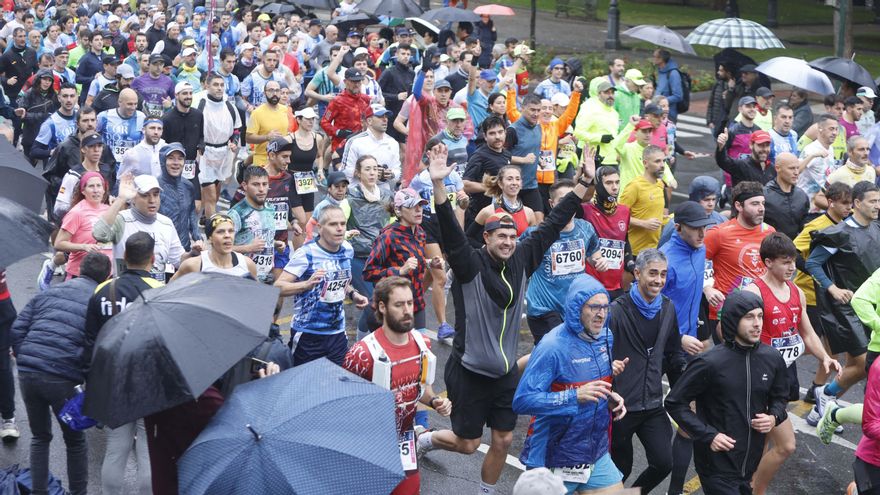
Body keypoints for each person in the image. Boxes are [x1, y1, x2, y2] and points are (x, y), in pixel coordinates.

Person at [415, 143, 594, 495]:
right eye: (501, 236)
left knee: (503, 439)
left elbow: (555, 222)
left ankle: (486, 491)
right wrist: (439, 187)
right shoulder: (470, 265)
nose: (509, 242)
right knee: (467, 444)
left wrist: (583, 183)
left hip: (505, 374)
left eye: (513, 236)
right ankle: (428, 440)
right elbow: (451, 234)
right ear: (487, 237)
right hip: (468, 371)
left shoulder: (523, 256)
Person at [741, 233, 840, 494]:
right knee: (775, 443)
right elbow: (734, 335)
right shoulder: (753, 292)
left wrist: (825, 357)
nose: (792, 267)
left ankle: (751, 485)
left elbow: (807, 332)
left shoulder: (796, 291)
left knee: (770, 441)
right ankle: (754, 488)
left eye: (793, 261)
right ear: (768, 262)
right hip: (759, 376)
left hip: (785, 373)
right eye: (785, 262)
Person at [511, 275, 627, 495]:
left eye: (604, 307)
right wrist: (574, 397)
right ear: (576, 308)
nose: (601, 314)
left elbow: (592, 384)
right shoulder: (552, 346)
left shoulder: (605, 337)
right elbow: (522, 401)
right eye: (594, 307)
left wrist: (609, 397)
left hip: (594, 452)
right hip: (553, 456)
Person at [665, 290, 789, 493]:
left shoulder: (772, 358)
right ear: (732, 320)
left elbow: (780, 397)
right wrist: (708, 435)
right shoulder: (709, 362)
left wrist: (774, 417)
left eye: (760, 316)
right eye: (749, 317)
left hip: (749, 465)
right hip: (716, 466)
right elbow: (674, 402)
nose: (757, 323)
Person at [12, 252, 112, 495]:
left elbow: (16, 330)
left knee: (40, 437)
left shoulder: (52, 291)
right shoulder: (99, 300)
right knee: (75, 442)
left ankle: (39, 492)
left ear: (78, 268)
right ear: (108, 276)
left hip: (28, 374)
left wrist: (26, 357)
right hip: (64, 377)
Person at [343, 276, 452, 495]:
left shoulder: (422, 344)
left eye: (410, 303)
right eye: (399, 304)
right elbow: (344, 408)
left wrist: (434, 400)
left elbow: (419, 388)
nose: (407, 310)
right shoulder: (362, 355)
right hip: (368, 447)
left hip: (404, 441)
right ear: (382, 307)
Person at [84, 233, 159, 495]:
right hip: (146, 381)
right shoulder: (159, 292)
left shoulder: (102, 290)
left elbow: (90, 340)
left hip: (111, 379)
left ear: (125, 258)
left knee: (116, 448)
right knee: (148, 449)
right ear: (152, 259)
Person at [609, 249, 685, 494]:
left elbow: (674, 354)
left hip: (652, 404)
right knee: (621, 469)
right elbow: (601, 356)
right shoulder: (616, 311)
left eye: (663, 274)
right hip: (620, 407)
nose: (659, 280)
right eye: (653, 273)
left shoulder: (667, 308)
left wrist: (684, 392)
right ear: (637, 273)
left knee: (664, 462)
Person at [805, 181, 880, 426]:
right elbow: (812, 264)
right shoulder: (839, 233)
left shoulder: (877, 227)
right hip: (846, 307)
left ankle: (822, 408)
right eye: (872, 201)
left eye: (879, 201)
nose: (877, 206)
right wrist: (833, 288)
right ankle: (825, 396)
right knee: (860, 363)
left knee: (859, 367)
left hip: (871, 305)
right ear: (857, 203)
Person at [274, 204, 369, 366]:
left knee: (336, 384)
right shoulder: (306, 254)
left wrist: (354, 294)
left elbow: (343, 281)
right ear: (320, 228)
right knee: (303, 385)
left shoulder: (347, 249)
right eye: (333, 224)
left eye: (342, 224)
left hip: (337, 333)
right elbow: (277, 287)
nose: (339, 229)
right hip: (308, 334)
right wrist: (305, 285)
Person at [523, 179, 603, 344]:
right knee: (558, 352)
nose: (569, 205)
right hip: (544, 309)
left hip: (573, 306)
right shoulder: (538, 234)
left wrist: (598, 261)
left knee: (550, 357)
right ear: (552, 204)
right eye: (562, 201)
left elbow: (594, 253)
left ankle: (515, 370)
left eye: (572, 199)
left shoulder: (586, 228)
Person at [794, 182, 852, 405]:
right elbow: (794, 250)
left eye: (850, 204)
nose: (848, 208)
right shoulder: (817, 225)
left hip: (832, 296)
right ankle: (776, 357)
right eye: (844, 203)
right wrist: (815, 271)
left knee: (831, 348)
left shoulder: (847, 225)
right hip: (810, 295)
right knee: (807, 346)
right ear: (831, 202)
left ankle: (816, 390)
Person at [704, 181, 775, 334]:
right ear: (738, 206)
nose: (761, 208)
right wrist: (707, 288)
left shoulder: (769, 231)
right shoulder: (719, 233)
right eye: (755, 204)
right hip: (727, 310)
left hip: (759, 310)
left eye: (763, 203)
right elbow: (699, 261)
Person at [93, 174, 189, 278]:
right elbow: (99, 234)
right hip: (126, 290)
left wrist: (194, 254)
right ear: (133, 198)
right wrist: (121, 199)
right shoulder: (122, 219)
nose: (152, 200)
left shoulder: (166, 223)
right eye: (145, 195)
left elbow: (179, 260)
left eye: (156, 194)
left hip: (155, 291)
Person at [346, 156, 393, 336]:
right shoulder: (349, 196)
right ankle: (369, 349)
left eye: (375, 168)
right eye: (367, 169)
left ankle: (361, 345)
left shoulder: (387, 196)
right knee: (374, 304)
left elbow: (393, 223)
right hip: (358, 258)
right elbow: (339, 225)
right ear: (358, 173)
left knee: (375, 302)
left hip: (380, 257)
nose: (372, 172)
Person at [582, 166, 634, 299]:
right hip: (591, 285)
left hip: (616, 286)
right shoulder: (585, 210)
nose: (615, 187)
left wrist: (631, 264)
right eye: (609, 183)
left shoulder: (625, 211)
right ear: (598, 185)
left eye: (617, 182)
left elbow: (624, 240)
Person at [197, 72, 241, 219]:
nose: (219, 88)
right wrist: (200, 143)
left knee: (215, 191)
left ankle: (206, 216)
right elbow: (195, 126)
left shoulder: (229, 106)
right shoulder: (202, 105)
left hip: (223, 153)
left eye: (222, 85)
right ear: (207, 86)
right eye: (215, 85)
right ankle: (212, 227)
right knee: (209, 193)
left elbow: (236, 129)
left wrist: (234, 143)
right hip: (206, 153)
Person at [53, 172, 112, 280]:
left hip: (106, 274)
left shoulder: (108, 210)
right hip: (79, 274)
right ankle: (50, 266)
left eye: (99, 186)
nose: (96, 190)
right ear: (83, 191)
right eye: (91, 186)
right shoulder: (77, 212)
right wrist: (84, 247)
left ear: (104, 190)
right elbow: (59, 243)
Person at [462, 115, 512, 226]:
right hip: (480, 215)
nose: (497, 137)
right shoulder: (479, 155)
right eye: (492, 133)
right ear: (485, 136)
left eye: (500, 132)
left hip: (502, 211)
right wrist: (491, 187)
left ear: (505, 133)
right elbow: (465, 185)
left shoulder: (506, 154)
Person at [171, 214, 257, 279]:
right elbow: (169, 291)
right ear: (209, 238)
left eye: (231, 231)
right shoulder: (194, 265)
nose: (227, 235)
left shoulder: (247, 265)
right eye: (221, 232)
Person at [468, 165, 537, 245]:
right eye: (509, 179)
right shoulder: (488, 211)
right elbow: (469, 238)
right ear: (500, 184)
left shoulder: (529, 213)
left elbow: (534, 242)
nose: (514, 183)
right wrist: (486, 250)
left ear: (521, 184)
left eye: (517, 179)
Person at [620, 145, 669, 255]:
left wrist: (665, 219)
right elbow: (618, 216)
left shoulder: (660, 184)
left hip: (653, 249)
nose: (662, 165)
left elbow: (650, 212)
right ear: (645, 163)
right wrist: (643, 223)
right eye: (657, 161)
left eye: (663, 161)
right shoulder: (635, 186)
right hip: (634, 251)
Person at [340, 104, 400, 188]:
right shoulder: (355, 141)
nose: (385, 120)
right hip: (359, 192)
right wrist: (367, 173)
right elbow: (344, 171)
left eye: (386, 116)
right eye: (380, 117)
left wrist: (391, 174)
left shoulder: (393, 143)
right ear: (369, 121)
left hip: (383, 192)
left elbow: (397, 171)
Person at [157, 143, 202, 253]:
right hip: (160, 248)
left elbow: (192, 213)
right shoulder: (155, 187)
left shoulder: (188, 186)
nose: (176, 163)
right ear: (163, 161)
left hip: (183, 247)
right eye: (171, 158)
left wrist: (198, 238)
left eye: (180, 159)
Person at [160, 81, 204, 193]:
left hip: (191, 166)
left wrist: (201, 146)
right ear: (176, 95)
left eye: (190, 93)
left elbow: (201, 136)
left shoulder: (198, 115)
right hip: (173, 167)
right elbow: (162, 146)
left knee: (196, 203)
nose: (188, 97)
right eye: (185, 94)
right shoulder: (167, 118)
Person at [322, 67, 373, 156]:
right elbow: (324, 122)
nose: (357, 84)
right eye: (353, 81)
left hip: (362, 145)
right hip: (342, 146)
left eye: (359, 81)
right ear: (345, 82)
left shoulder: (366, 99)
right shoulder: (337, 101)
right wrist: (338, 132)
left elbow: (370, 120)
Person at [97, 88, 147, 175]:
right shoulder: (104, 116)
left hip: (132, 169)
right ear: (120, 102)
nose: (133, 107)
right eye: (129, 104)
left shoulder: (141, 117)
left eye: (135, 104)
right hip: (109, 167)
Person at [799, 113, 841, 213]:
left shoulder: (831, 148)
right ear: (820, 128)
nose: (835, 133)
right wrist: (813, 156)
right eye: (831, 129)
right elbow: (797, 170)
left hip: (823, 205)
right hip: (808, 207)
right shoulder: (811, 149)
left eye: (836, 129)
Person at [762, 152, 809, 240]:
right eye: (791, 168)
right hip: (770, 247)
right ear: (777, 168)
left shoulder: (802, 195)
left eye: (797, 168)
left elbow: (804, 223)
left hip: (794, 248)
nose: (796, 172)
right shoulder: (764, 195)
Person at [573, 79, 619, 165]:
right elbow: (578, 133)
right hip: (594, 159)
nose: (611, 96)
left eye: (612, 93)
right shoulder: (590, 108)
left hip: (612, 160)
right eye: (607, 93)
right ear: (598, 94)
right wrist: (599, 138)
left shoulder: (614, 113)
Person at [246, 80, 289, 167]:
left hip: (281, 161)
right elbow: (248, 138)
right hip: (263, 161)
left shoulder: (284, 109)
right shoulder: (257, 113)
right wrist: (267, 137)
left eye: (277, 90)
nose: (274, 93)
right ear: (264, 93)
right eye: (271, 90)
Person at [130, 53, 175, 117]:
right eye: (155, 64)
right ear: (149, 65)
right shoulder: (138, 81)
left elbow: (174, 99)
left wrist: (169, 106)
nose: (158, 67)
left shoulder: (169, 81)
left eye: (161, 64)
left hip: (162, 118)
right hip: (143, 117)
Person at [653, 49, 683, 121]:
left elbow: (678, 96)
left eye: (655, 56)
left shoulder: (673, 74)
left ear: (661, 59)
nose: (653, 58)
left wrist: (661, 101)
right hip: (657, 111)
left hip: (668, 114)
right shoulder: (660, 71)